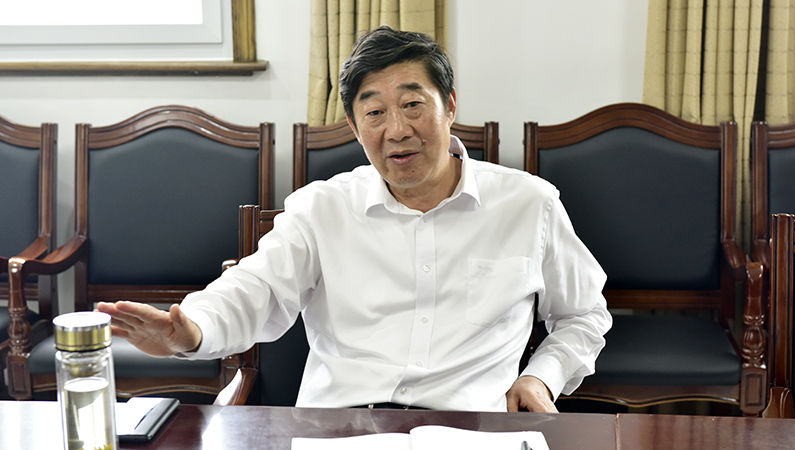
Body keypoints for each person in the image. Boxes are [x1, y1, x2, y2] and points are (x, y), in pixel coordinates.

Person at [98, 26, 611, 413]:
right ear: (353, 124)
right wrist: (190, 330)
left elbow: (584, 314)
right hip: (338, 428)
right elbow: (255, 288)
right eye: (375, 113)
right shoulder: (321, 208)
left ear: (450, 106)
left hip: (470, 430)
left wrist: (542, 376)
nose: (397, 129)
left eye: (413, 104)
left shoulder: (529, 204)